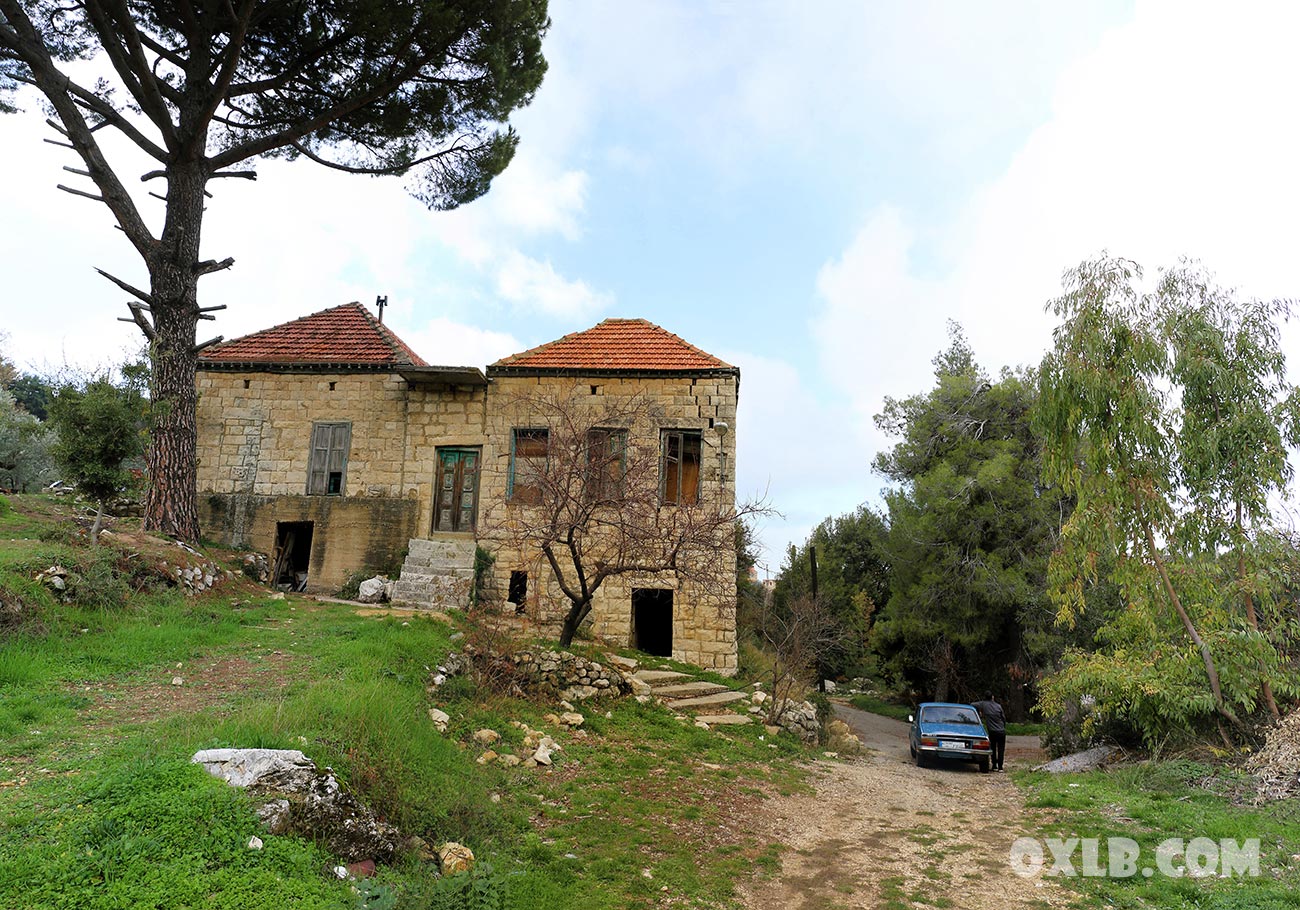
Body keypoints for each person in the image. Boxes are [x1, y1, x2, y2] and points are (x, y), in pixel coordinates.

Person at [971, 693, 1006, 772]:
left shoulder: (983, 704)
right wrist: (1003, 726)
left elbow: (972, 704)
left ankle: (994, 765)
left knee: (993, 748)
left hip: (992, 731)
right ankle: (1000, 767)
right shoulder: (998, 706)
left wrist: (979, 711)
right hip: (1001, 730)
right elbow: (1003, 718)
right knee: (1001, 749)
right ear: (992, 697)